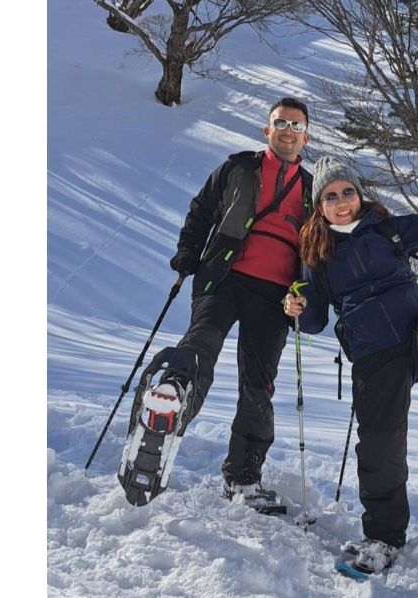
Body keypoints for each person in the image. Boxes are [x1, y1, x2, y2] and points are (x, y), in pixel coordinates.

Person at [283, 157, 418, 574]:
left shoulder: (387, 228)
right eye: (331, 196)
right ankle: (383, 537)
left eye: (348, 192)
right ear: (318, 205)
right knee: (379, 446)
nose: (342, 202)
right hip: (374, 353)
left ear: (358, 195)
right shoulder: (316, 256)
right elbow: (318, 320)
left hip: (416, 326)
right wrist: (297, 307)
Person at [156, 97, 313, 511]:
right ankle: (168, 406)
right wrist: (187, 255)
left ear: (306, 137)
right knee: (201, 342)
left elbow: (321, 252)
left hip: (276, 296)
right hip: (223, 277)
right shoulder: (238, 167)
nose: (288, 131)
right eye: (280, 122)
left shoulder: (314, 190)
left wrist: (307, 296)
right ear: (267, 130)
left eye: (296, 126)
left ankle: (243, 479)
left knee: (258, 384)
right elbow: (201, 211)